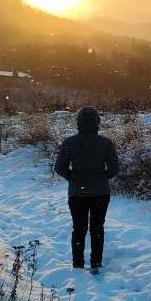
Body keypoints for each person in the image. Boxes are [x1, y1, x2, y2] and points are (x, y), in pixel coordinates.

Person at [54, 106, 119, 271]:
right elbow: (114, 169)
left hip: (77, 194)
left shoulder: (69, 142)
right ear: (98, 122)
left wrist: (73, 177)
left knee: (79, 229)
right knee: (97, 228)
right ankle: (96, 263)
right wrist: (102, 177)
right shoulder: (106, 143)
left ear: (79, 122)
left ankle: (78, 265)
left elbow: (60, 168)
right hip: (101, 193)